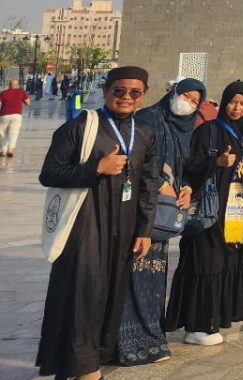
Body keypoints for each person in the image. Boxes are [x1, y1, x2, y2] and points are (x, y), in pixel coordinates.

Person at [36, 66, 158, 380]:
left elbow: (148, 183)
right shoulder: (80, 127)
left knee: (109, 295)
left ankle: (87, 362)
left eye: (135, 92)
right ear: (105, 91)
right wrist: (96, 168)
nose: (126, 97)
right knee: (82, 293)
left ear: (143, 95)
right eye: (119, 90)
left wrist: (145, 230)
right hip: (85, 225)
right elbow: (49, 173)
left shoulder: (144, 131)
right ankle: (85, 369)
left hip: (124, 227)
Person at [115, 77, 206, 367]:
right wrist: (159, 183)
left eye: (194, 101)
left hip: (162, 216)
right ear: (173, 92)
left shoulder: (186, 128)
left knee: (153, 278)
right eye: (185, 96)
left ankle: (151, 340)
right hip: (137, 210)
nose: (188, 103)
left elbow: (187, 166)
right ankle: (125, 344)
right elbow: (134, 160)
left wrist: (186, 187)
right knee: (131, 275)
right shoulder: (148, 118)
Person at [164, 80, 243, 346]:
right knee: (205, 265)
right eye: (232, 102)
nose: (236, 108)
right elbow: (190, 167)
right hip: (210, 213)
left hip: (236, 214)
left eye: (242, 103)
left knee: (225, 266)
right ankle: (197, 327)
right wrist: (215, 162)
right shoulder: (209, 131)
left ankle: (215, 319)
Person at [0, 77, 31, 156]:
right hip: (16, 115)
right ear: (17, 85)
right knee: (13, 133)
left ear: (9, 85)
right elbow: (28, 103)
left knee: (2, 132)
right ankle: (10, 149)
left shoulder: (3, 93)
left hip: (4, 115)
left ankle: (3, 150)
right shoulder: (22, 92)